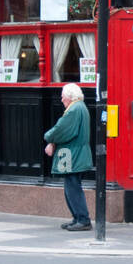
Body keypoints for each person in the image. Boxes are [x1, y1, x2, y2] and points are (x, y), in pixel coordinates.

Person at [44, 83, 93, 231]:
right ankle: (77, 217)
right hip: (75, 154)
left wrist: (49, 137)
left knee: (73, 187)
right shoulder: (80, 107)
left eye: (63, 96)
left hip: (72, 155)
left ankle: (83, 220)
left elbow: (62, 129)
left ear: (70, 96)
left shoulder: (74, 110)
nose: (61, 99)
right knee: (71, 186)